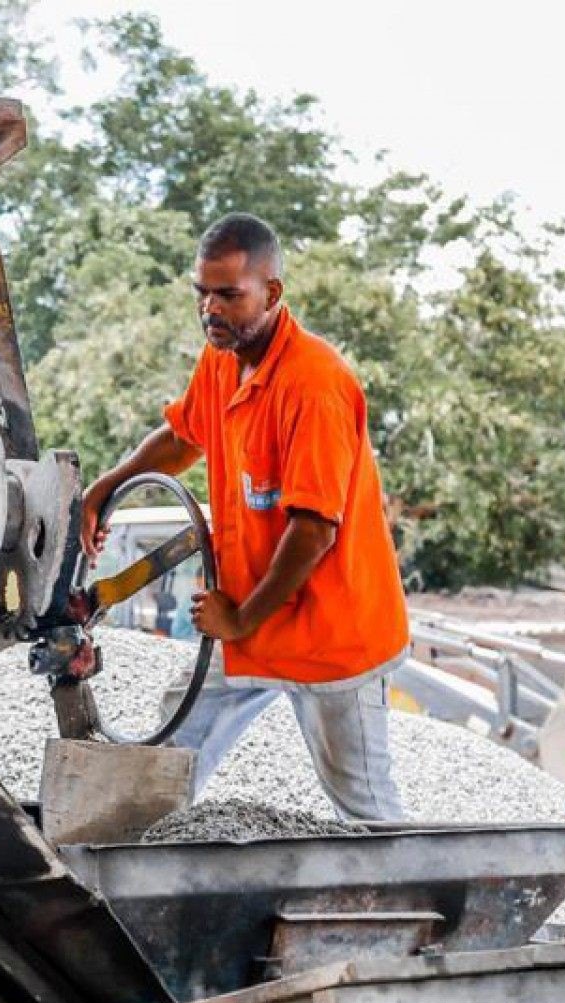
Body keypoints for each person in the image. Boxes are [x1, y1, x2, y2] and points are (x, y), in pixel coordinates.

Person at [80, 213, 409, 821]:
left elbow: (313, 531)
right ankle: (128, 857)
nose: (210, 309)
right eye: (202, 293)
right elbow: (184, 437)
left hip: (330, 633)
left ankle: (405, 883)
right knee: (162, 764)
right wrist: (106, 486)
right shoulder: (223, 357)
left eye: (228, 295)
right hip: (246, 618)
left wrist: (239, 618)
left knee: (366, 813)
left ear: (271, 292)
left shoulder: (314, 385)